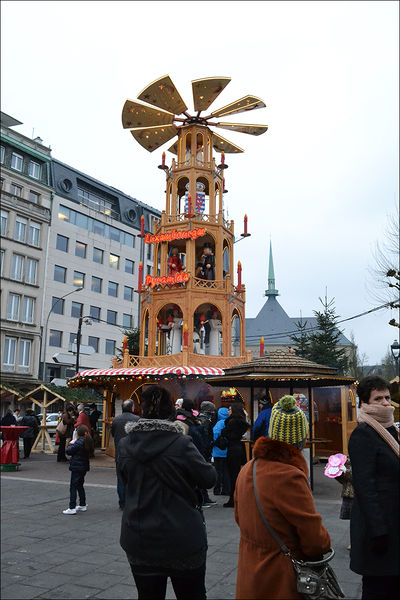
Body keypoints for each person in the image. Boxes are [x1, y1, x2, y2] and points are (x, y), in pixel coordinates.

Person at [117, 385, 216, 600]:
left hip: (139, 535)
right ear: (170, 412)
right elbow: (208, 478)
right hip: (182, 536)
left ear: (141, 411)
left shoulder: (125, 445)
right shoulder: (181, 443)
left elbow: (126, 482)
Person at [234, 395, 331, 599]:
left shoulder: (248, 468)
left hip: (249, 570)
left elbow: (239, 517)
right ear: (301, 438)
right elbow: (313, 538)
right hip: (279, 576)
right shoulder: (290, 476)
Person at [348, 375, 399, 600]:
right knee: (378, 588)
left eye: (387, 397)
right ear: (365, 402)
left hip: (395, 523)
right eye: (378, 398)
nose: (385, 403)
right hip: (379, 529)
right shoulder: (364, 433)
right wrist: (379, 531)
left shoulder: (393, 430)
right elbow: (364, 486)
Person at [111, 399, 139, 509]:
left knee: (120, 479)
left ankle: (122, 502)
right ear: (132, 408)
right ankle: (132, 501)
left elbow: (113, 434)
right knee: (134, 479)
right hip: (133, 454)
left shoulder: (116, 420)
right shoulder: (137, 419)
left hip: (119, 454)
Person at [221, 404, 249, 507]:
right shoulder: (241, 421)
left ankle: (233, 498)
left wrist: (224, 432)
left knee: (232, 474)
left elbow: (229, 434)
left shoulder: (232, 422)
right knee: (236, 474)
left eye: (230, 409)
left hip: (232, 449)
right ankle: (237, 496)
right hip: (239, 448)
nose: (228, 411)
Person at [63, 424, 94, 515]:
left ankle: (72, 507)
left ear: (77, 433)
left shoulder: (78, 442)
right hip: (84, 466)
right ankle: (82, 504)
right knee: (80, 485)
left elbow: (68, 451)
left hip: (77, 467)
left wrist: (71, 443)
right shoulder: (87, 441)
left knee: (73, 486)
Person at [198, 401, 218, 507]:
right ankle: (203, 498)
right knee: (202, 472)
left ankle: (205, 497)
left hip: (205, 449)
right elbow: (205, 435)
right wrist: (207, 446)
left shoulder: (203, 418)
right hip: (204, 450)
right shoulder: (205, 419)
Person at [212, 407, 231, 496]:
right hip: (226, 451)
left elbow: (215, 434)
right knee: (226, 471)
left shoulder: (220, 423)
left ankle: (217, 489)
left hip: (218, 451)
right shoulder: (228, 423)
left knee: (218, 471)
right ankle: (226, 489)